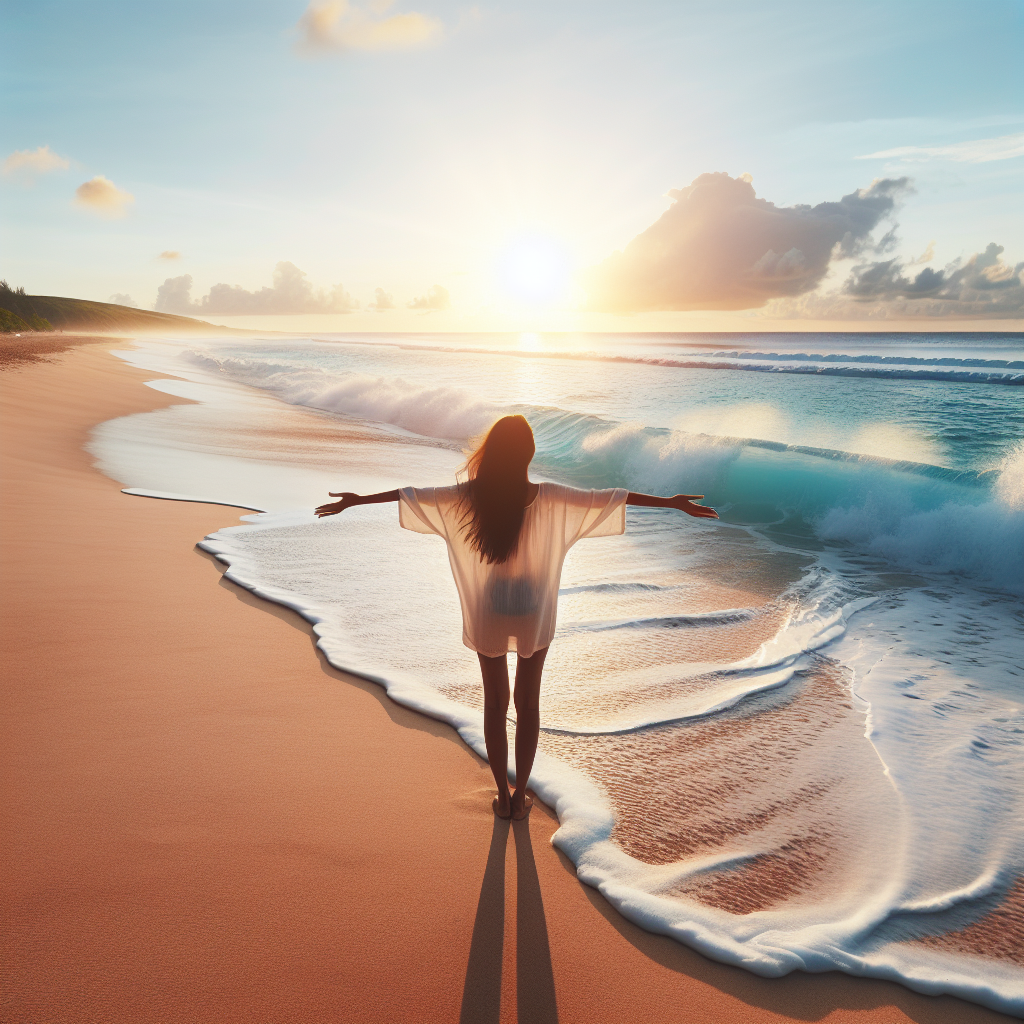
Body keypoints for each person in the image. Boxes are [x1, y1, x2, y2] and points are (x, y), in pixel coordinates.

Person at [315, 415, 718, 820]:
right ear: (529, 452)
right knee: (528, 703)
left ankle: (502, 797)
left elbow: (411, 494)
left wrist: (356, 500)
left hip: (488, 608)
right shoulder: (550, 495)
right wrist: (671, 504)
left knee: (494, 703)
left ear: (491, 452)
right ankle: (521, 793)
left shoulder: (469, 496)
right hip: (532, 608)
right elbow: (610, 497)